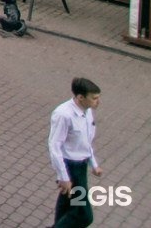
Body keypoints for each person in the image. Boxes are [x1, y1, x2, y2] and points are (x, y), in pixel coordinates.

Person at [49, 77, 103, 228]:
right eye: (94, 98)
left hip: (81, 165)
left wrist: (94, 164)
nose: (98, 102)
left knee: (67, 203)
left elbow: (86, 141)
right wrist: (63, 177)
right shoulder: (63, 115)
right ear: (80, 97)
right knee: (84, 215)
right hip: (71, 168)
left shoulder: (87, 112)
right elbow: (54, 146)